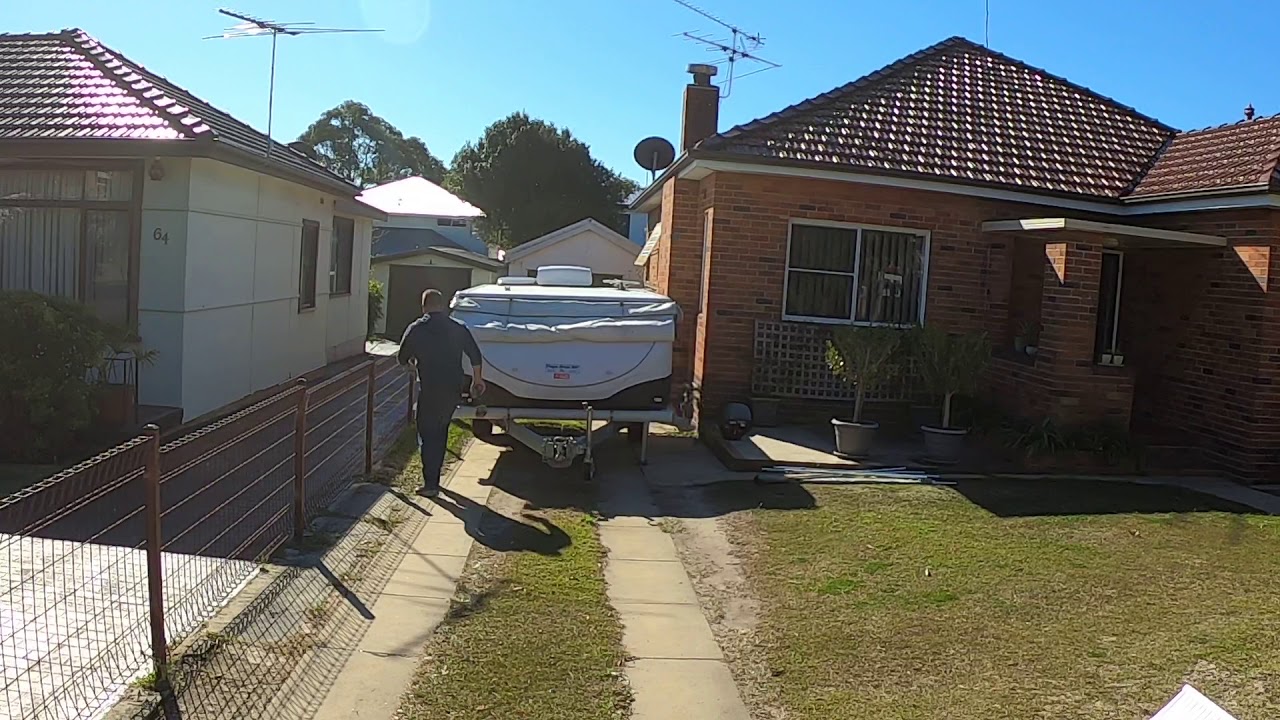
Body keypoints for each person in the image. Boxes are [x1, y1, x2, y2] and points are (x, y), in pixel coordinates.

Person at [397, 289, 485, 497]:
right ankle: (434, 480)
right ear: (442, 305)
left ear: (424, 306)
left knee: (426, 434)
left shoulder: (416, 329)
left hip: (429, 387)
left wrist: (411, 366)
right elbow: (475, 355)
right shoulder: (458, 328)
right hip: (451, 388)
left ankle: (431, 484)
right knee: (441, 429)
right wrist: (477, 379)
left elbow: (402, 357)